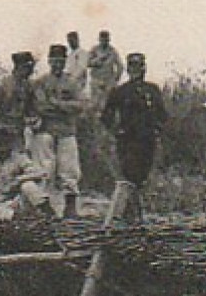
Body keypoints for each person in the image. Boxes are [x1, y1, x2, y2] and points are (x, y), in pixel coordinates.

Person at [98, 52, 168, 222]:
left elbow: (162, 114)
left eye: (139, 66)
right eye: (133, 66)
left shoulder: (152, 90)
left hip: (147, 140)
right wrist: (116, 130)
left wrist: (157, 128)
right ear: (128, 69)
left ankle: (133, 214)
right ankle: (129, 215)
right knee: (130, 176)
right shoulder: (120, 91)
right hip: (128, 140)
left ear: (144, 68)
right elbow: (106, 115)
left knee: (142, 177)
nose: (136, 70)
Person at [28, 43, 85, 218]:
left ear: (65, 61)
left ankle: (70, 205)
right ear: (49, 61)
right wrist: (63, 107)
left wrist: (57, 104)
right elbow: (40, 106)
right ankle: (44, 206)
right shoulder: (41, 82)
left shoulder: (72, 82)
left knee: (69, 169)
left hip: (67, 130)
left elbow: (80, 105)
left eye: (61, 60)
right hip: (45, 130)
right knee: (44, 168)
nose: (57, 64)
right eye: (54, 60)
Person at [0, 128, 50, 221]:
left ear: (10, 143)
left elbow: (41, 173)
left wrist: (19, 179)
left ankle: (46, 211)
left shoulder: (19, 158)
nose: (2, 146)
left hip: (20, 200)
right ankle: (18, 217)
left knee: (28, 185)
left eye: (5, 142)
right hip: (4, 203)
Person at [0, 51, 36, 147]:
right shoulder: (0, 83)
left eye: (31, 68)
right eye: (27, 68)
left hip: (18, 133)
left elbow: (29, 111)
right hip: (0, 132)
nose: (30, 71)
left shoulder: (27, 85)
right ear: (18, 67)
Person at [85, 30, 124, 103]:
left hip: (108, 80)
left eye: (106, 39)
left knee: (108, 101)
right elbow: (87, 63)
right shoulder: (94, 50)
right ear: (99, 39)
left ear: (108, 40)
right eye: (102, 39)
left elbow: (120, 66)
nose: (104, 42)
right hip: (96, 79)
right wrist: (97, 61)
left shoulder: (112, 51)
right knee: (95, 102)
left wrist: (116, 78)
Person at [63, 31, 89, 97]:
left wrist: (71, 79)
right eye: (69, 41)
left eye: (72, 40)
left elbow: (81, 68)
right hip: (69, 82)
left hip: (78, 82)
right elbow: (67, 68)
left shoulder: (82, 52)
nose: (71, 43)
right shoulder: (70, 55)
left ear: (77, 40)